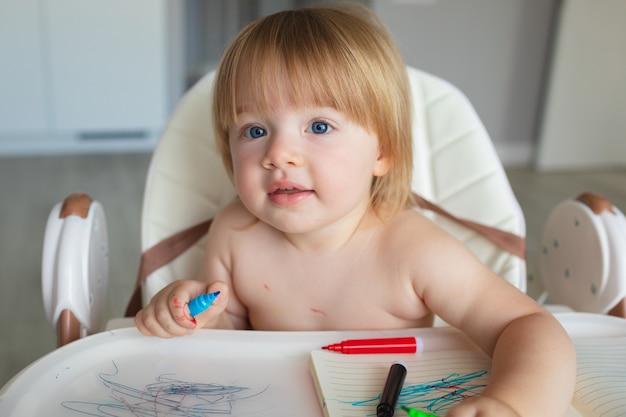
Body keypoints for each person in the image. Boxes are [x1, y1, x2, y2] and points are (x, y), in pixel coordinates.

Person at [135, 3, 576, 416]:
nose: (279, 153)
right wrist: (198, 318)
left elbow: (525, 324)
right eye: (254, 129)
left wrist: (512, 404)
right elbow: (231, 341)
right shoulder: (235, 231)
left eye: (319, 126)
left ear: (382, 151)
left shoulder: (411, 250)